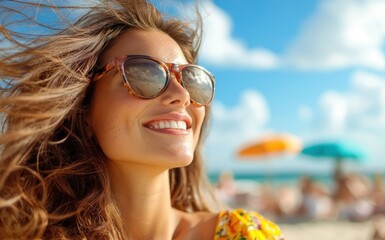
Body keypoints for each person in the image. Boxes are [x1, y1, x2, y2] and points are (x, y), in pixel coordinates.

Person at [0, 1, 285, 239]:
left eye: (193, 80)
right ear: (84, 110)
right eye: (144, 73)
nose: (182, 95)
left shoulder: (244, 234)